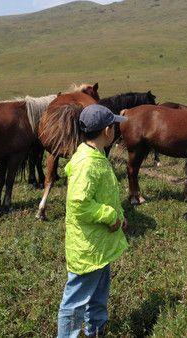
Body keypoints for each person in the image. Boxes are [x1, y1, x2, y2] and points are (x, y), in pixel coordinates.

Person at [57, 104, 129, 338]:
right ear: (107, 130)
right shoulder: (87, 163)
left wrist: (119, 216)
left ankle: (97, 331)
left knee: (98, 295)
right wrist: (110, 216)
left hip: (99, 245)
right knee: (75, 300)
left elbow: (102, 195)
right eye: (114, 126)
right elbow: (79, 203)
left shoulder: (94, 156)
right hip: (88, 247)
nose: (117, 131)